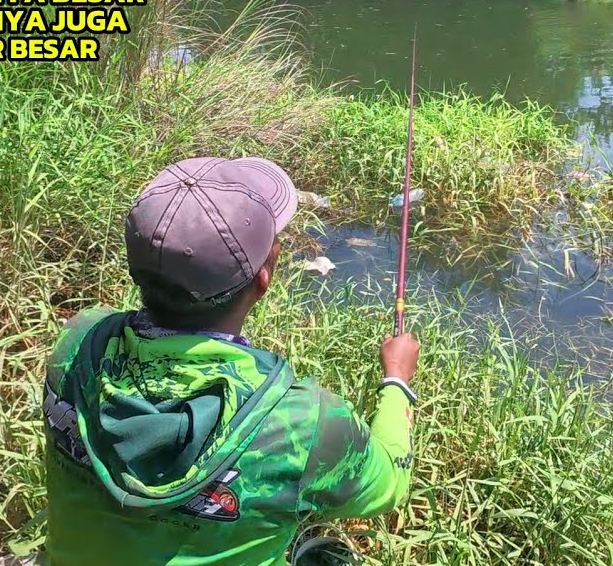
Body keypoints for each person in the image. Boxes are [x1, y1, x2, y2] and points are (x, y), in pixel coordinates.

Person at [41, 157, 420, 566]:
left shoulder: (79, 341)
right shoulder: (300, 424)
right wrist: (397, 379)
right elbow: (390, 485)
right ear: (264, 276)